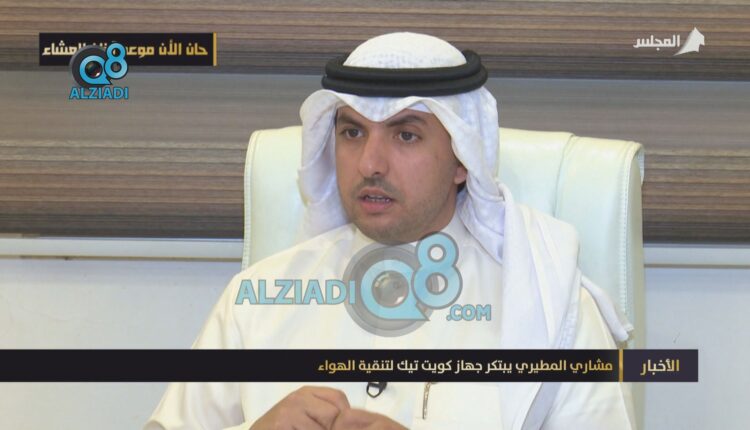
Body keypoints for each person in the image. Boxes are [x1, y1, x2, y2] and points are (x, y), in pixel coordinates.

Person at [145, 32, 636, 429]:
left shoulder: (549, 307)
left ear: (462, 159)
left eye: (406, 135)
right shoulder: (255, 301)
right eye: (352, 132)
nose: (370, 164)